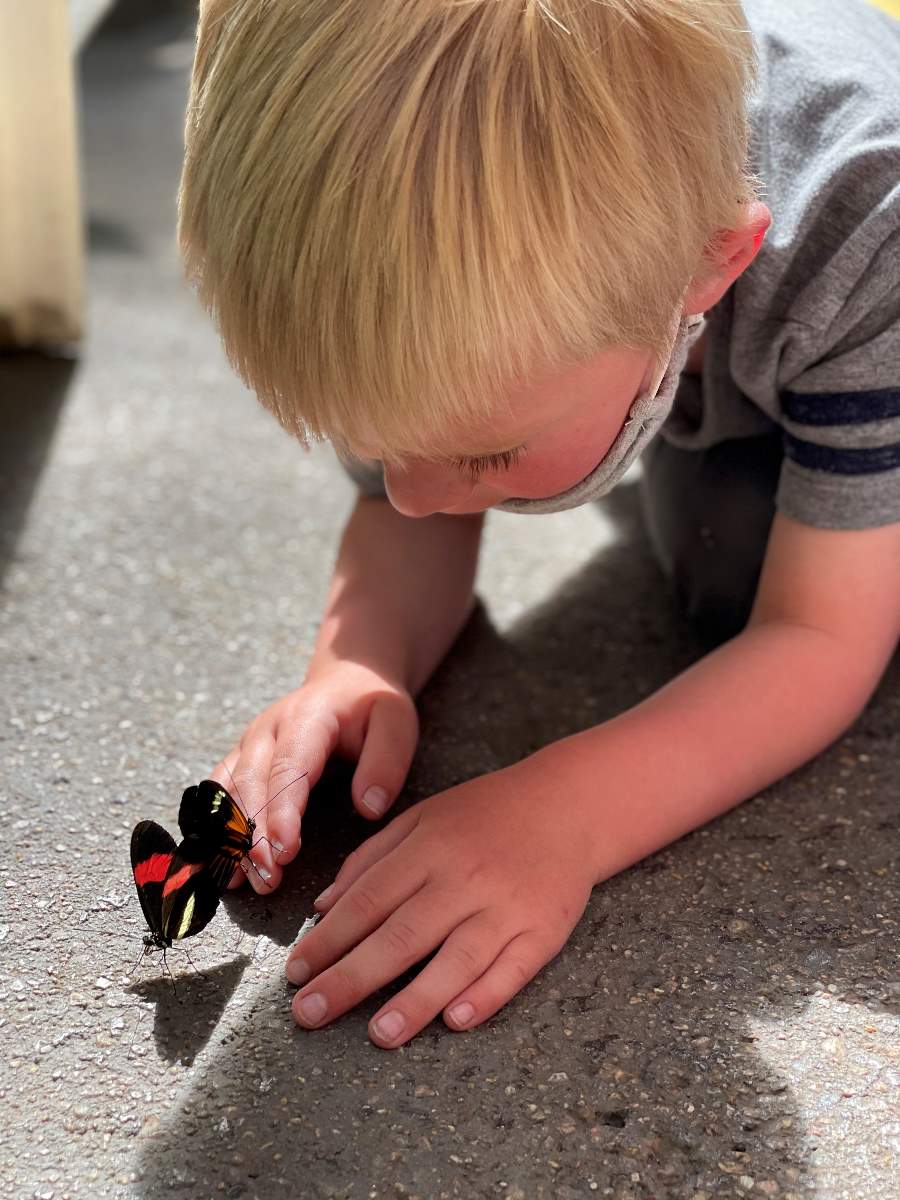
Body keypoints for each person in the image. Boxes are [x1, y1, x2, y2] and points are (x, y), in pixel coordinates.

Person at [177, 0, 900, 1048]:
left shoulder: (863, 226)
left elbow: (820, 632)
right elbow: (409, 505)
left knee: (737, 575)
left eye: (481, 452)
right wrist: (357, 661)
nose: (411, 495)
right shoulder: (368, 240)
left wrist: (560, 816)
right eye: (380, 443)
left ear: (710, 264)